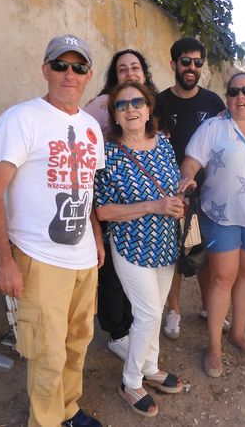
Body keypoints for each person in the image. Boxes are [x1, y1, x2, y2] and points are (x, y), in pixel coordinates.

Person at [0, 34, 104, 427]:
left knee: (78, 342)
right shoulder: (20, 119)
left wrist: (96, 237)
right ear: (45, 70)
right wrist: (4, 261)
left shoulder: (91, 126)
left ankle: (68, 410)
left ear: (88, 76)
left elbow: (87, 187)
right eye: (60, 65)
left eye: (79, 67)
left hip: (83, 258)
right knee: (47, 353)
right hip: (39, 258)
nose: (70, 74)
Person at [178, 72, 245, 377]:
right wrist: (188, 176)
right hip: (221, 214)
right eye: (234, 91)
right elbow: (192, 160)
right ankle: (214, 346)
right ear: (227, 97)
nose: (241, 97)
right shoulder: (213, 128)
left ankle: (238, 333)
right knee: (223, 277)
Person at [94, 82, 184, 417]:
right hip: (131, 246)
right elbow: (104, 211)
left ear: (148, 109)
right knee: (147, 314)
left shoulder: (163, 144)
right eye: (122, 105)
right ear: (115, 116)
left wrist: (178, 201)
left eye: (137, 102)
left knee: (156, 310)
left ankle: (151, 367)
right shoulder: (109, 154)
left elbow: (173, 186)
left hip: (165, 243)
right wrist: (154, 206)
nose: (131, 109)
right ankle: (131, 381)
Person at [84, 50, 158, 361]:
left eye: (135, 67)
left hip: (144, 205)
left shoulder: (152, 101)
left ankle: (135, 329)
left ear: (144, 72)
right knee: (113, 273)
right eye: (122, 69)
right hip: (110, 198)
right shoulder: (102, 106)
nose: (129, 73)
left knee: (137, 275)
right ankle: (117, 333)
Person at [154, 37, 226, 340]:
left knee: (204, 252)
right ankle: (174, 311)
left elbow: (232, 130)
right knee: (175, 254)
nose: (192, 68)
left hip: (208, 193)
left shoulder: (213, 102)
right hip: (171, 193)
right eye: (186, 62)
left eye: (198, 62)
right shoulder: (159, 102)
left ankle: (209, 306)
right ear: (174, 64)